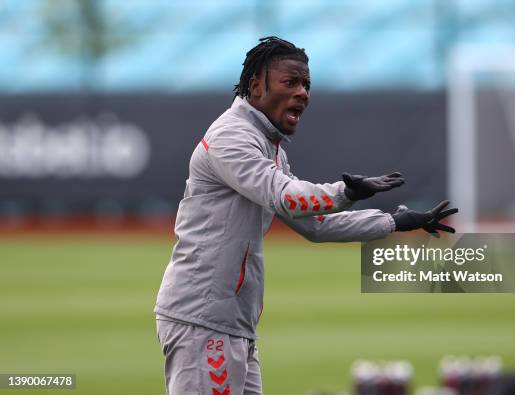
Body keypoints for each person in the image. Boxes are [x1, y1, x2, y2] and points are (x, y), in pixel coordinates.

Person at [154, 36, 457, 395]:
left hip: (232, 324)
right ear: (256, 86)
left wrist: (393, 221)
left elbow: (315, 225)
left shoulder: (268, 146)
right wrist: (346, 191)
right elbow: (284, 196)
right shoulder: (230, 137)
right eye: (291, 82)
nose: (303, 93)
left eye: (307, 84)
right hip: (203, 323)